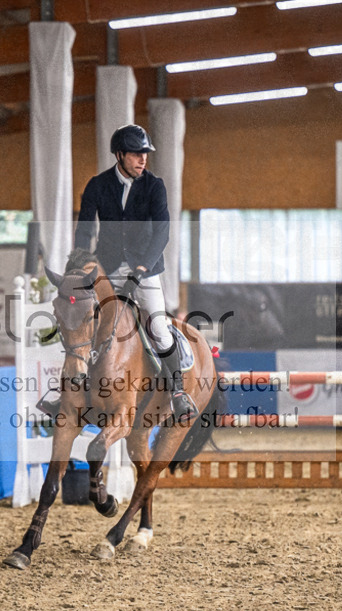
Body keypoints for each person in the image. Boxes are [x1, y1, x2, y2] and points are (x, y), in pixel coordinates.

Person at [73, 124, 196, 419]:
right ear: (120, 155)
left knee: (157, 326)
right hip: (109, 266)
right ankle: (71, 391)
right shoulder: (97, 185)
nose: (143, 159)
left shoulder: (155, 186)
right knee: (80, 319)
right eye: (136, 154)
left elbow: (162, 233)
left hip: (146, 268)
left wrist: (140, 271)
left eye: (145, 154)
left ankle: (178, 391)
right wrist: (79, 267)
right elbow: (84, 231)